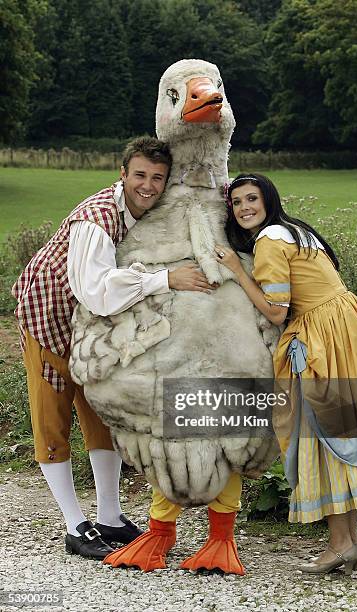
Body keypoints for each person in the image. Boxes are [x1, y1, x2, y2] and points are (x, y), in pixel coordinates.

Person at [12, 136, 214, 560]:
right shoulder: (96, 218)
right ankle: (73, 524)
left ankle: (108, 515)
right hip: (50, 319)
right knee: (54, 419)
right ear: (122, 174)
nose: (149, 185)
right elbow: (95, 291)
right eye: (140, 175)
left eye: (157, 178)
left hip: (95, 331)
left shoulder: (150, 210)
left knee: (102, 415)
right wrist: (165, 280)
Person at [215, 173, 357, 575]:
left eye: (252, 199)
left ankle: (339, 543)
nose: (245, 207)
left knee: (323, 436)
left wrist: (236, 269)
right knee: (343, 433)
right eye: (236, 202)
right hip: (348, 327)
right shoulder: (295, 230)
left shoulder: (269, 241)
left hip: (322, 337)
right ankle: (350, 543)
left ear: (268, 200)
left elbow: (276, 311)